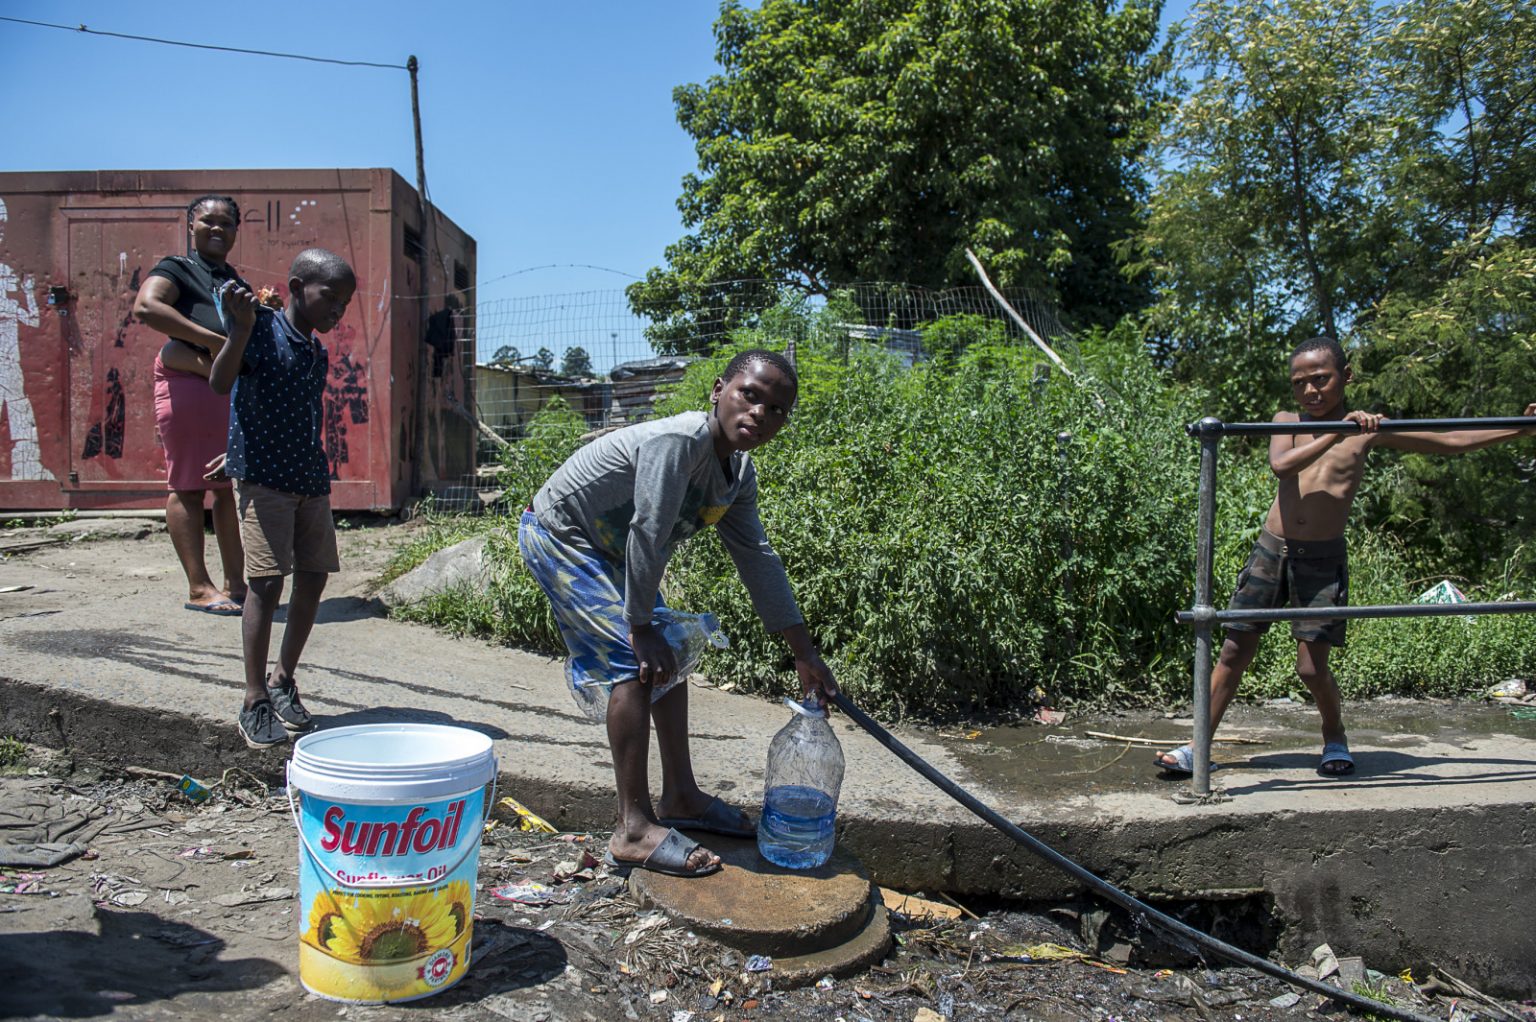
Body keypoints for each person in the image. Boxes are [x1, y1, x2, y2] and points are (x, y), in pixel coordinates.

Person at [519, 348, 837, 878]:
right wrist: (639, 626)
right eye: (749, 396)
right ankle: (634, 828)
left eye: (776, 409)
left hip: (613, 550)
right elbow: (648, 531)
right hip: (562, 535)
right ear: (719, 391)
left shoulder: (736, 473)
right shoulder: (677, 444)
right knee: (633, 661)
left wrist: (804, 653)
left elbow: (757, 557)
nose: (759, 413)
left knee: (672, 656)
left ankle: (682, 797)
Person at [1157, 336, 1536, 777]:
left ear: (1346, 376)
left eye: (1321, 379)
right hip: (1270, 552)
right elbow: (1282, 466)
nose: (1310, 391)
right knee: (1233, 651)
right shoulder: (1287, 422)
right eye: (1300, 383)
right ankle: (1196, 745)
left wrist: (1521, 429)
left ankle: (1334, 736)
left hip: (1320, 561)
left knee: (1311, 668)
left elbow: (1449, 440)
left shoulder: (1366, 432)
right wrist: (1340, 430)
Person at [208, 248, 355, 750]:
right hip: (265, 480)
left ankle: (283, 679)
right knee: (266, 584)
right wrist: (239, 329)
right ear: (295, 288)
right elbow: (221, 382)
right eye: (329, 297)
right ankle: (254, 698)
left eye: (345, 302)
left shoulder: (316, 349)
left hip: (309, 478)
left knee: (313, 576)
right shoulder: (260, 328)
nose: (337, 309)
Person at [133, 195, 249, 614]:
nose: (217, 229)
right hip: (187, 380)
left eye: (227, 223)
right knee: (188, 484)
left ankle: (239, 585)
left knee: (226, 489)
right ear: (191, 226)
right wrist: (214, 340)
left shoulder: (233, 280)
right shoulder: (178, 268)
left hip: (224, 389)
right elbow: (147, 306)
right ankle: (200, 587)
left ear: (237, 231)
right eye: (208, 221)